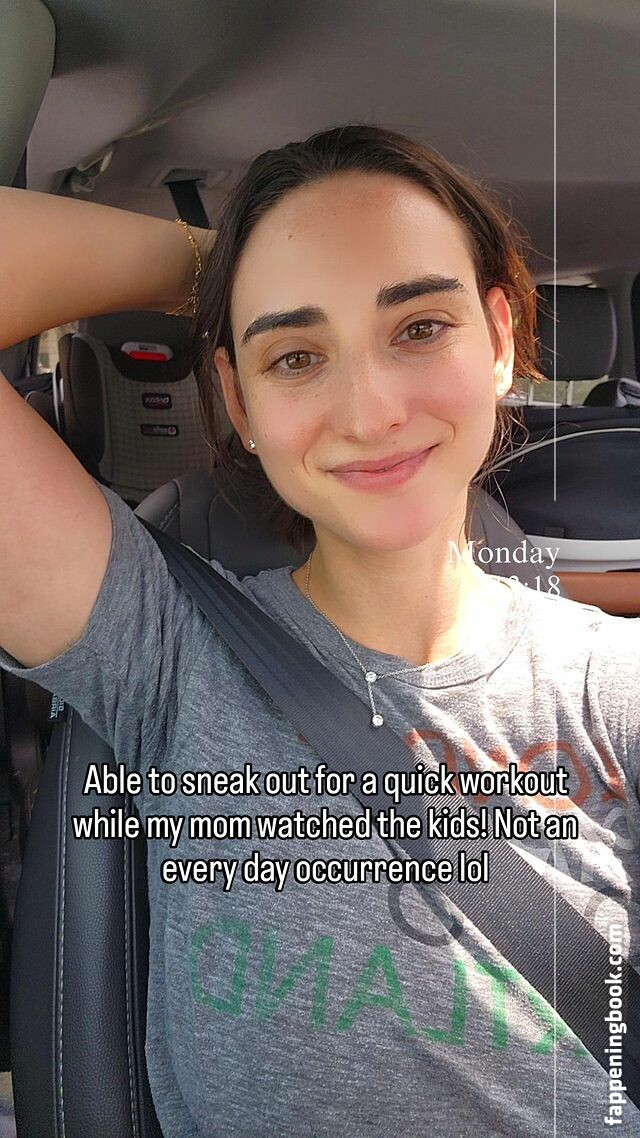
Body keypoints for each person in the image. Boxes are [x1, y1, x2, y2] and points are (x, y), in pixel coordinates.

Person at [0, 123, 638, 1137]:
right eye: (294, 354)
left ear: (500, 340)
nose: (369, 410)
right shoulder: (164, 650)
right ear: (236, 399)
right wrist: (221, 264)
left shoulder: (616, 686)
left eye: (418, 327)